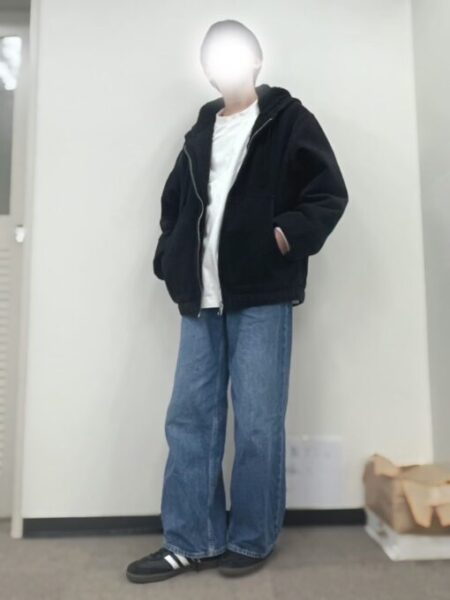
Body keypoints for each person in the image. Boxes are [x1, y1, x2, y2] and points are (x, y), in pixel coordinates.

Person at [126, 19, 349, 583]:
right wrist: (169, 256)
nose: (225, 66)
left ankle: (251, 537)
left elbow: (327, 193)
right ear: (208, 71)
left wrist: (283, 237)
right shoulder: (198, 134)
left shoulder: (288, 120)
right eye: (215, 59)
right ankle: (191, 541)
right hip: (200, 297)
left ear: (255, 60)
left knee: (256, 423)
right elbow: (174, 207)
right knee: (189, 420)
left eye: (234, 55)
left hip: (261, 294)